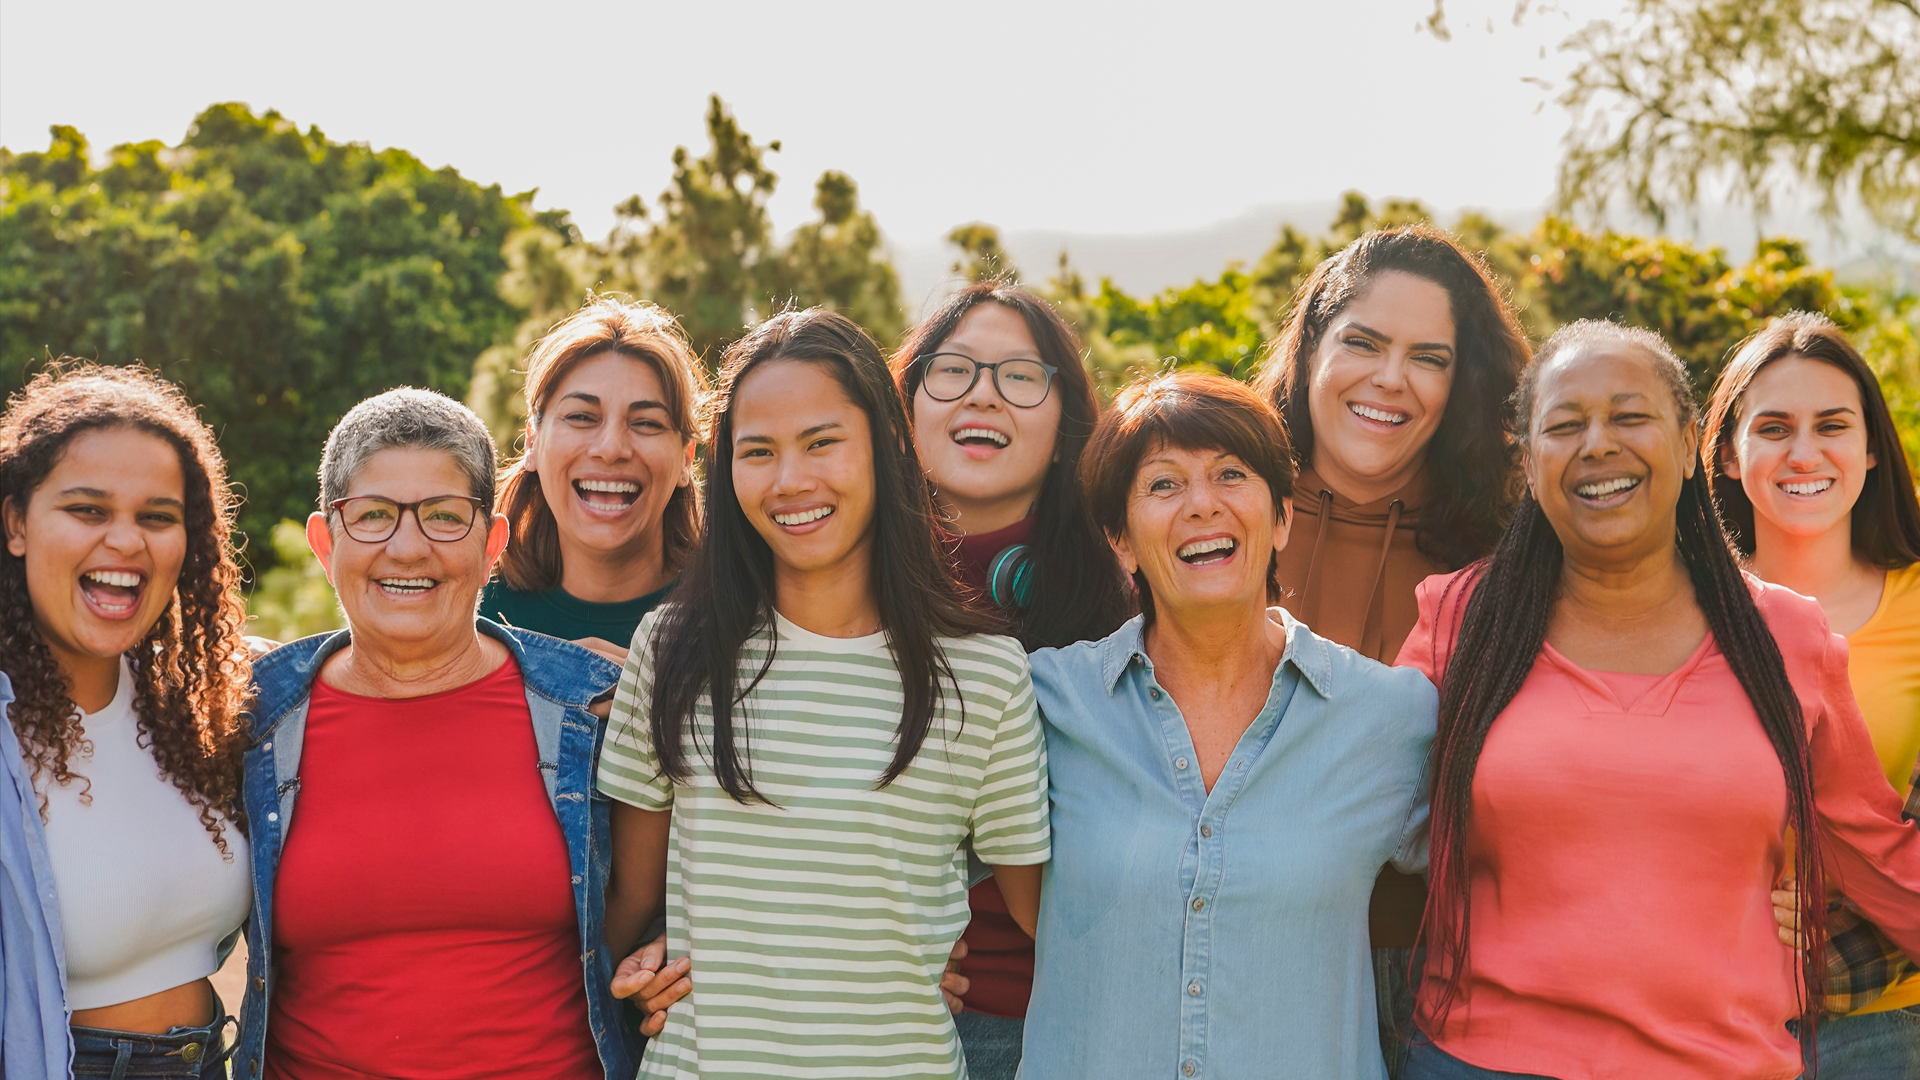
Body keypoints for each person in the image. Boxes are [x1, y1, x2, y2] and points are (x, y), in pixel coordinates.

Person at [1400, 320, 1920, 1080]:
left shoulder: (1786, 636)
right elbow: (1349, 809)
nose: (1599, 443)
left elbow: (1877, 856)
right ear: (1528, 464)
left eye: (1629, 416)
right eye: (1565, 425)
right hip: (1482, 1061)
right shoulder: (1458, 619)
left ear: (1686, 445)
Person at [596, 308, 1052, 1079]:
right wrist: (634, 975)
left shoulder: (987, 677)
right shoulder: (672, 650)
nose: (790, 481)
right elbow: (626, 912)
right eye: (758, 452)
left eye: (822, 442)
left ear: (884, 446)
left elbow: (1056, 929)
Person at [1020, 372, 1439, 1080]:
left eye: (1230, 475)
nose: (1202, 506)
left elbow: (1501, 888)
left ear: (1281, 518)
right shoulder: (1047, 702)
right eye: (1163, 485)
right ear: (1120, 541)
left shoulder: (1390, 716)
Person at [235, 389, 632, 1080]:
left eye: (445, 517)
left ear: (492, 545)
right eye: (374, 517)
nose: (408, 548)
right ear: (325, 544)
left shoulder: (592, 709)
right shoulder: (251, 717)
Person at [1252, 224, 1530, 1075]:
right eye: (1362, 342)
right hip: (1229, 937)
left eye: (1429, 358)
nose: (1389, 379)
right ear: (1309, 350)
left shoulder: (1509, 555)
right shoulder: (1212, 507)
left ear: (1464, 383)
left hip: (1435, 972)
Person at [892, 280, 1134, 1079]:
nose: (984, 397)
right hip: (876, 1008)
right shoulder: (827, 576)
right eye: (953, 370)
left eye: (1020, 377)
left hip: (1068, 1017)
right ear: (907, 406)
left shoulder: (1130, 593)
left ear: (1067, 426)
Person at [0, 365, 253, 1080]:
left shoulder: (198, 705)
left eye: (156, 516)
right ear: (16, 524)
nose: (126, 541)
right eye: (86, 509)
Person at [1703, 311, 1920, 1075]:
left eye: (1832, 425)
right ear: (1728, 455)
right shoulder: (1673, 612)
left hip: (1883, 1030)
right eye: (1772, 428)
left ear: (1869, 450)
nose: (1804, 453)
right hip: (1699, 1015)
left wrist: (1847, 911)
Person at [480, 297, 706, 660]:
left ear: (685, 458)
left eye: (646, 423)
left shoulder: (741, 616)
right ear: (533, 443)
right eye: (582, 417)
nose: (611, 448)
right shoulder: (469, 613)